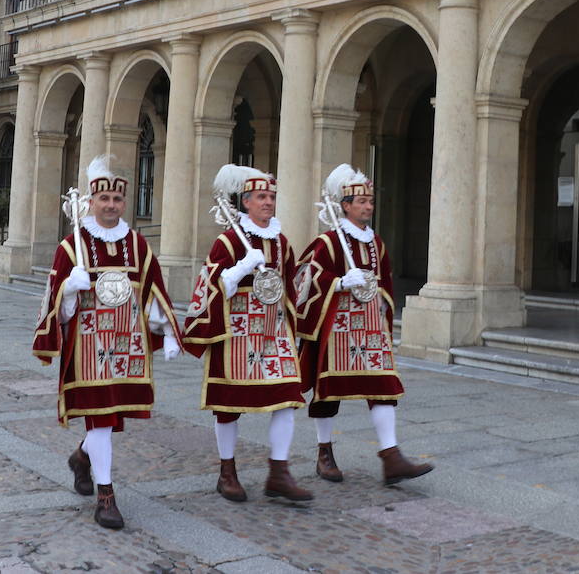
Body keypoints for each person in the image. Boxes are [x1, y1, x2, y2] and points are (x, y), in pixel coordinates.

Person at [33, 156, 181, 529]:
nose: (111, 205)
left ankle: (82, 458)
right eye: (105, 200)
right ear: (92, 202)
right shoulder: (72, 247)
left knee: (110, 419)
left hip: (129, 347)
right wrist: (70, 287)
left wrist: (167, 331)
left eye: (117, 199)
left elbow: (152, 292)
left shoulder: (137, 244)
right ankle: (106, 497)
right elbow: (54, 304)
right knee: (99, 419)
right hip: (88, 349)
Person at [182, 165, 312, 503]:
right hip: (236, 330)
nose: (268, 202)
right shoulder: (227, 241)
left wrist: (297, 318)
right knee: (228, 404)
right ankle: (227, 471)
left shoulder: (281, 242)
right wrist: (240, 269)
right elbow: (208, 285)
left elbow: (291, 286)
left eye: (271, 197)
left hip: (273, 330)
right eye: (261, 197)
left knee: (287, 397)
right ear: (246, 202)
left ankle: (279, 471)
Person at [296, 165, 432, 485]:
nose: (369, 207)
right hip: (337, 327)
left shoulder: (376, 243)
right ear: (345, 205)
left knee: (383, 387)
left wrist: (382, 301)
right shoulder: (329, 242)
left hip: (370, 326)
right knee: (328, 392)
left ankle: (391, 457)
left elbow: (385, 281)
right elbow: (308, 278)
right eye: (362, 202)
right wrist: (341, 281)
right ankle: (324, 452)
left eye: (371, 201)